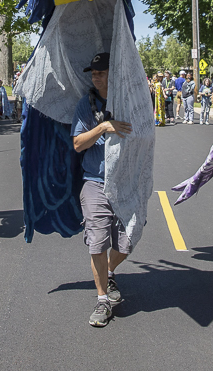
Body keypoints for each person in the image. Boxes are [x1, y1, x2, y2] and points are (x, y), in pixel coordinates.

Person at [70, 52, 133, 327]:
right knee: (97, 241)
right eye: (93, 73)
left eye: (101, 73)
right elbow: (78, 144)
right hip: (94, 181)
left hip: (125, 183)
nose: (95, 77)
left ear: (113, 74)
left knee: (129, 238)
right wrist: (104, 127)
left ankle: (107, 272)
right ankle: (103, 300)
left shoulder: (129, 100)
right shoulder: (87, 104)